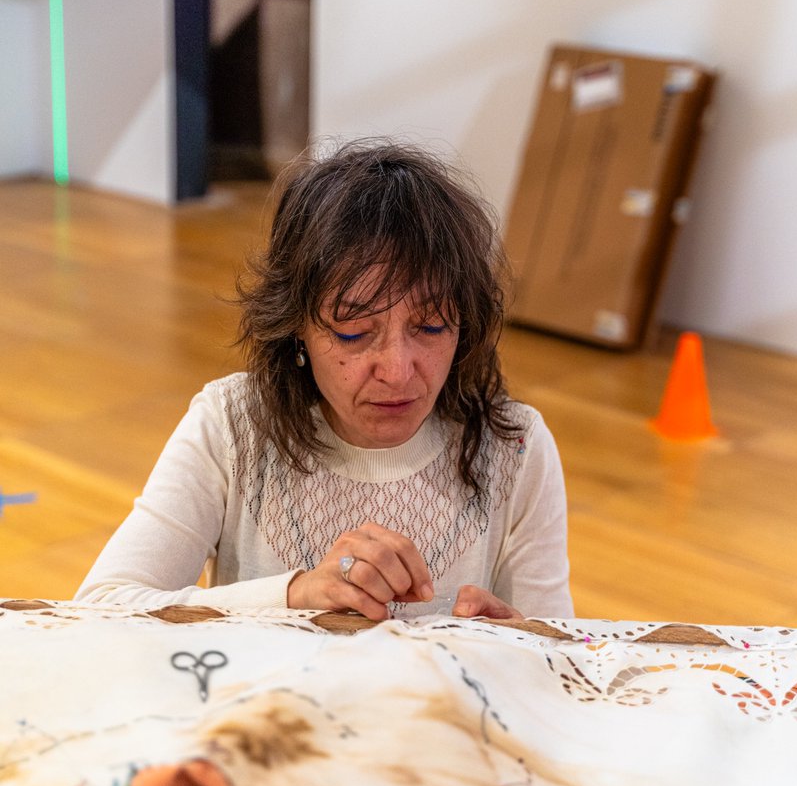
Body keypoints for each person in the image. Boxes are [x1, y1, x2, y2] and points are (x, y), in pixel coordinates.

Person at [75, 140, 573, 622]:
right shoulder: (232, 426)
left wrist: (521, 641)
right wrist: (296, 594)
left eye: (431, 326)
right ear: (296, 324)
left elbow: (565, 651)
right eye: (354, 332)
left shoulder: (513, 447)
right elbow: (100, 608)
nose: (397, 370)